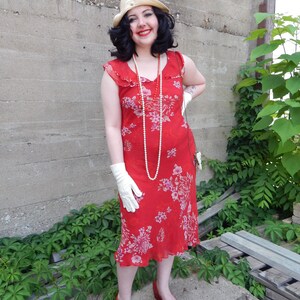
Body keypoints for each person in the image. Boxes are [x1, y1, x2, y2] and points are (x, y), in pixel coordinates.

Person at [101, 1, 206, 299]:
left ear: (159, 19)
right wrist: (120, 174)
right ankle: (124, 294)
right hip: (137, 170)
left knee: (172, 225)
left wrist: (184, 97)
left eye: (147, 14)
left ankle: (162, 286)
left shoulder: (180, 63)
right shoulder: (115, 72)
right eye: (132, 19)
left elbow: (200, 83)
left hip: (178, 166)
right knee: (135, 233)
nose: (141, 23)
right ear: (126, 29)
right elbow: (111, 127)